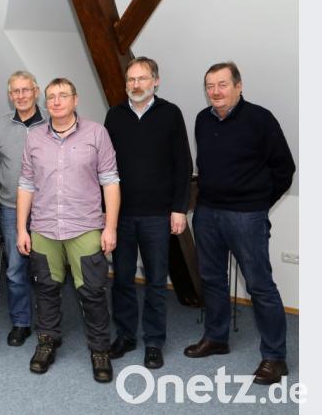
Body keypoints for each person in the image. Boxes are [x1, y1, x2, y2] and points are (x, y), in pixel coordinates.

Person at [185, 61, 296, 385]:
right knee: (212, 279)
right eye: (210, 86)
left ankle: (275, 358)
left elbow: (284, 170)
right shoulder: (202, 120)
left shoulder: (260, 119)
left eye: (222, 84)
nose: (215, 92)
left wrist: (258, 204)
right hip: (207, 214)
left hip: (247, 216)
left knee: (260, 286)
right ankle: (216, 337)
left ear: (238, 86)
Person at [17, 78, 120, 383]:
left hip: (85, 227)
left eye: (63, 96)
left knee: (93, 292)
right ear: (45, 102)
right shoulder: (34, 137)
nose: (57, 101)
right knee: (46, 290)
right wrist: (22, 228)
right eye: (51, 97)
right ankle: (47, 341)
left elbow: (110, 181)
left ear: (76, 100)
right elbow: (26, 184)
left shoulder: (96, 134)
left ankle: (99, 350)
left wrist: (110, 227)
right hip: (44, 228)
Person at [103, 57, 193, 369]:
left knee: (156, 281)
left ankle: (154, 341)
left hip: (158, 216)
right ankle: (126, 335)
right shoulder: (114, 116)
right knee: (122, 280)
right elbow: (105, 169)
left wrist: (179, 208)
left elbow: (184, 165)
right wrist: (106, 215)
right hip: (122, 216)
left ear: (155, 80)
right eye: (131, 79)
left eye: (142, 78)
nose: (136, 85)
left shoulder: (170, 113)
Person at [0, 71, 47, 347]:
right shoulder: (0, 125)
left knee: (49, 270)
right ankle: (21, 322)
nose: (21, 96)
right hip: (11, 208)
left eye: (26, 90)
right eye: (16, 91)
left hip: (48, 210)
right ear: (9, 95)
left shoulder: (52, 123)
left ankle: (50, 324)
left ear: (36, 92)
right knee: (16, 269)